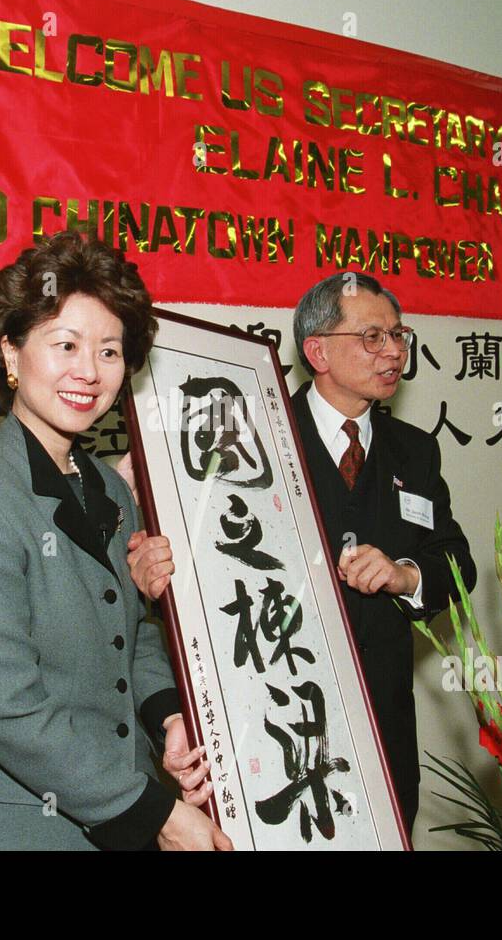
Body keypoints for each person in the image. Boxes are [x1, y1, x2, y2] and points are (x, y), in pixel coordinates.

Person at [128, 271, 476, 836]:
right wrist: (154, 566)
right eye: (372, 337)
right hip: (274, 713)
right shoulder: (249, 434)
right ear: (317, 350)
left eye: (398, 335)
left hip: (383, 724)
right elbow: (198, 562)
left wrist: (404, 574)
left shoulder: (415, 451)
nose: (394, 352)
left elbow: (455, 561)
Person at [0, 230, 229, 851]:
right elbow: (8, 708)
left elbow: (132, 631)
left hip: (110, 804)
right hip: (9, 824)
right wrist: (157, 815)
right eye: (65, 344)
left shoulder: (109, 492)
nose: (89, 371)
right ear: (10, 355)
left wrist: (167, 717)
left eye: (110, 351)